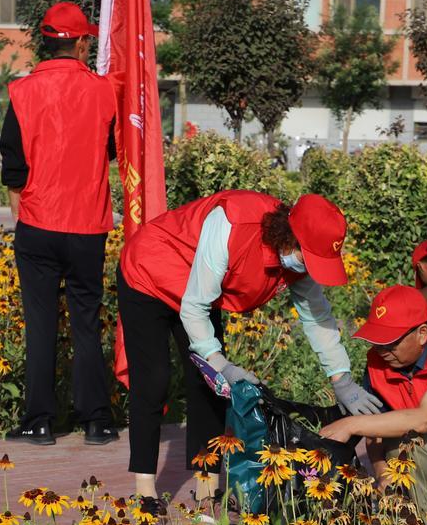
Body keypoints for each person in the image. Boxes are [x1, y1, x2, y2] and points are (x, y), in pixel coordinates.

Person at [118, 190, 373, 501]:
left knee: (209, 385)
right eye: (311, 259)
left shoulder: (299, 260)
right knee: (153, 380)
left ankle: (207, 489)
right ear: (291, 239)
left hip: (199, 286)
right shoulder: (233, 223)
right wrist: (219, 361)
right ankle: (145, 491)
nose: (311, 268)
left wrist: (341, 379)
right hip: (150, 271)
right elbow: (194, 306)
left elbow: (317, 316)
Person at [0, 1, 118, 447]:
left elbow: (13, 162)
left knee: (41, 323)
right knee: (87, 322)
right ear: (82, 42)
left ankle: (39, 421)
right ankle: (98, 421)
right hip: (88, 224)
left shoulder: (22, 91)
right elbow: (109, 150)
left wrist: (20, 214)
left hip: (38, 221)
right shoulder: (105, 91)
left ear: (46, 41)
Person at [318, 285, 427, 513]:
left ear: (422, 333)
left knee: (409, 437)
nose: (382, 350)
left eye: (390, 342)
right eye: (376, 341)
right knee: (399, 442)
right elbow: (377, 422)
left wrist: (349, 424)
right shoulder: (377, 362)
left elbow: (425, 418)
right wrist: (380, 469)